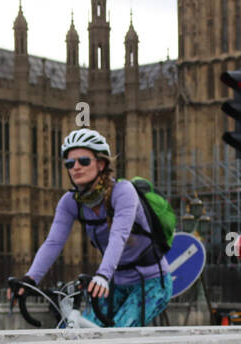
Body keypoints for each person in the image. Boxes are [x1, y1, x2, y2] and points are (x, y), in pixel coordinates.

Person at [14, 129, 171, 327]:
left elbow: (119, 236)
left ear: (101, 164)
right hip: (113, 284)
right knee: (78, 333)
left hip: (151, 282)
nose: (76, 167)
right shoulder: (70, 202)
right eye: (70, 164)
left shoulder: (123, 192)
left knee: (116, 339)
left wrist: (103, 275)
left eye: (84, 161)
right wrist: (30, 279)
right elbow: (53, 242)